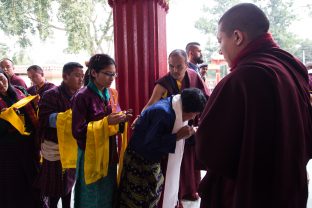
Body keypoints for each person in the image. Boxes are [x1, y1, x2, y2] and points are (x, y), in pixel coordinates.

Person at [196, 3, 312, 208]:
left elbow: (210, 151)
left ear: (237, 37)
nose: (221, 50)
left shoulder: (242, 79)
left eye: (220, 40)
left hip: (250, 192)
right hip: (290, 185)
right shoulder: (293, 67)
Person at [132, 49, 209, 207]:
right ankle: (173, 197)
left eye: (179, 66)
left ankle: (188, 191)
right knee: (170, 165)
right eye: (171, 66)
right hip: (171, 128)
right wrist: (141, 118)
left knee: (187, 162)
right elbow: (151, 103)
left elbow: (205, 99)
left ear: (187, 65)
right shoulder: (164, 82)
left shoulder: (194, 76)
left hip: (190, 125)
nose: (175, 70)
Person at [119, 88, 207, 207]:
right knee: (139, 200)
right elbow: (150, 144)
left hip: (150, 159)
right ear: (188, 108)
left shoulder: (177, 104)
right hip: (140, 160)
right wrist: (176, 136)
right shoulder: (163, 113)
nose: (193, 118)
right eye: (195, 114)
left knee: (151, 196)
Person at [71, 54, 132, 208]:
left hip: (109, 150)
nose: (112, 78)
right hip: (90, 153)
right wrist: (106, 123)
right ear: (93, 73)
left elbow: (113, 117)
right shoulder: (82, 96)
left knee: (108, 191)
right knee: (91, 193)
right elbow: (77, 131)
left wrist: (121, 119)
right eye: (107, 74)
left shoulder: (111, 93)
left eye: (114, 74)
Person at [34, 62, 84, 208]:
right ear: (65, 76)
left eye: (82, 76)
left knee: (68, 185)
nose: (81, 79)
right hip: (54, 148)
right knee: (54, 189)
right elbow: (43, 119)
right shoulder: (51, 95)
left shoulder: (80, 95)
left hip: (71, 147)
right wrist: (69, 118)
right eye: (76, 75)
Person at [0, 69, 41, 207]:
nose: (1, 83)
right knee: (13, 185)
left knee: (33, 180)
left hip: (29, 146)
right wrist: (6, 119)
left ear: (6, 76)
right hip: (7, 151)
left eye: (1, 78)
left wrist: (36, 105)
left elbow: (32, 113)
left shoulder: (20, 91)